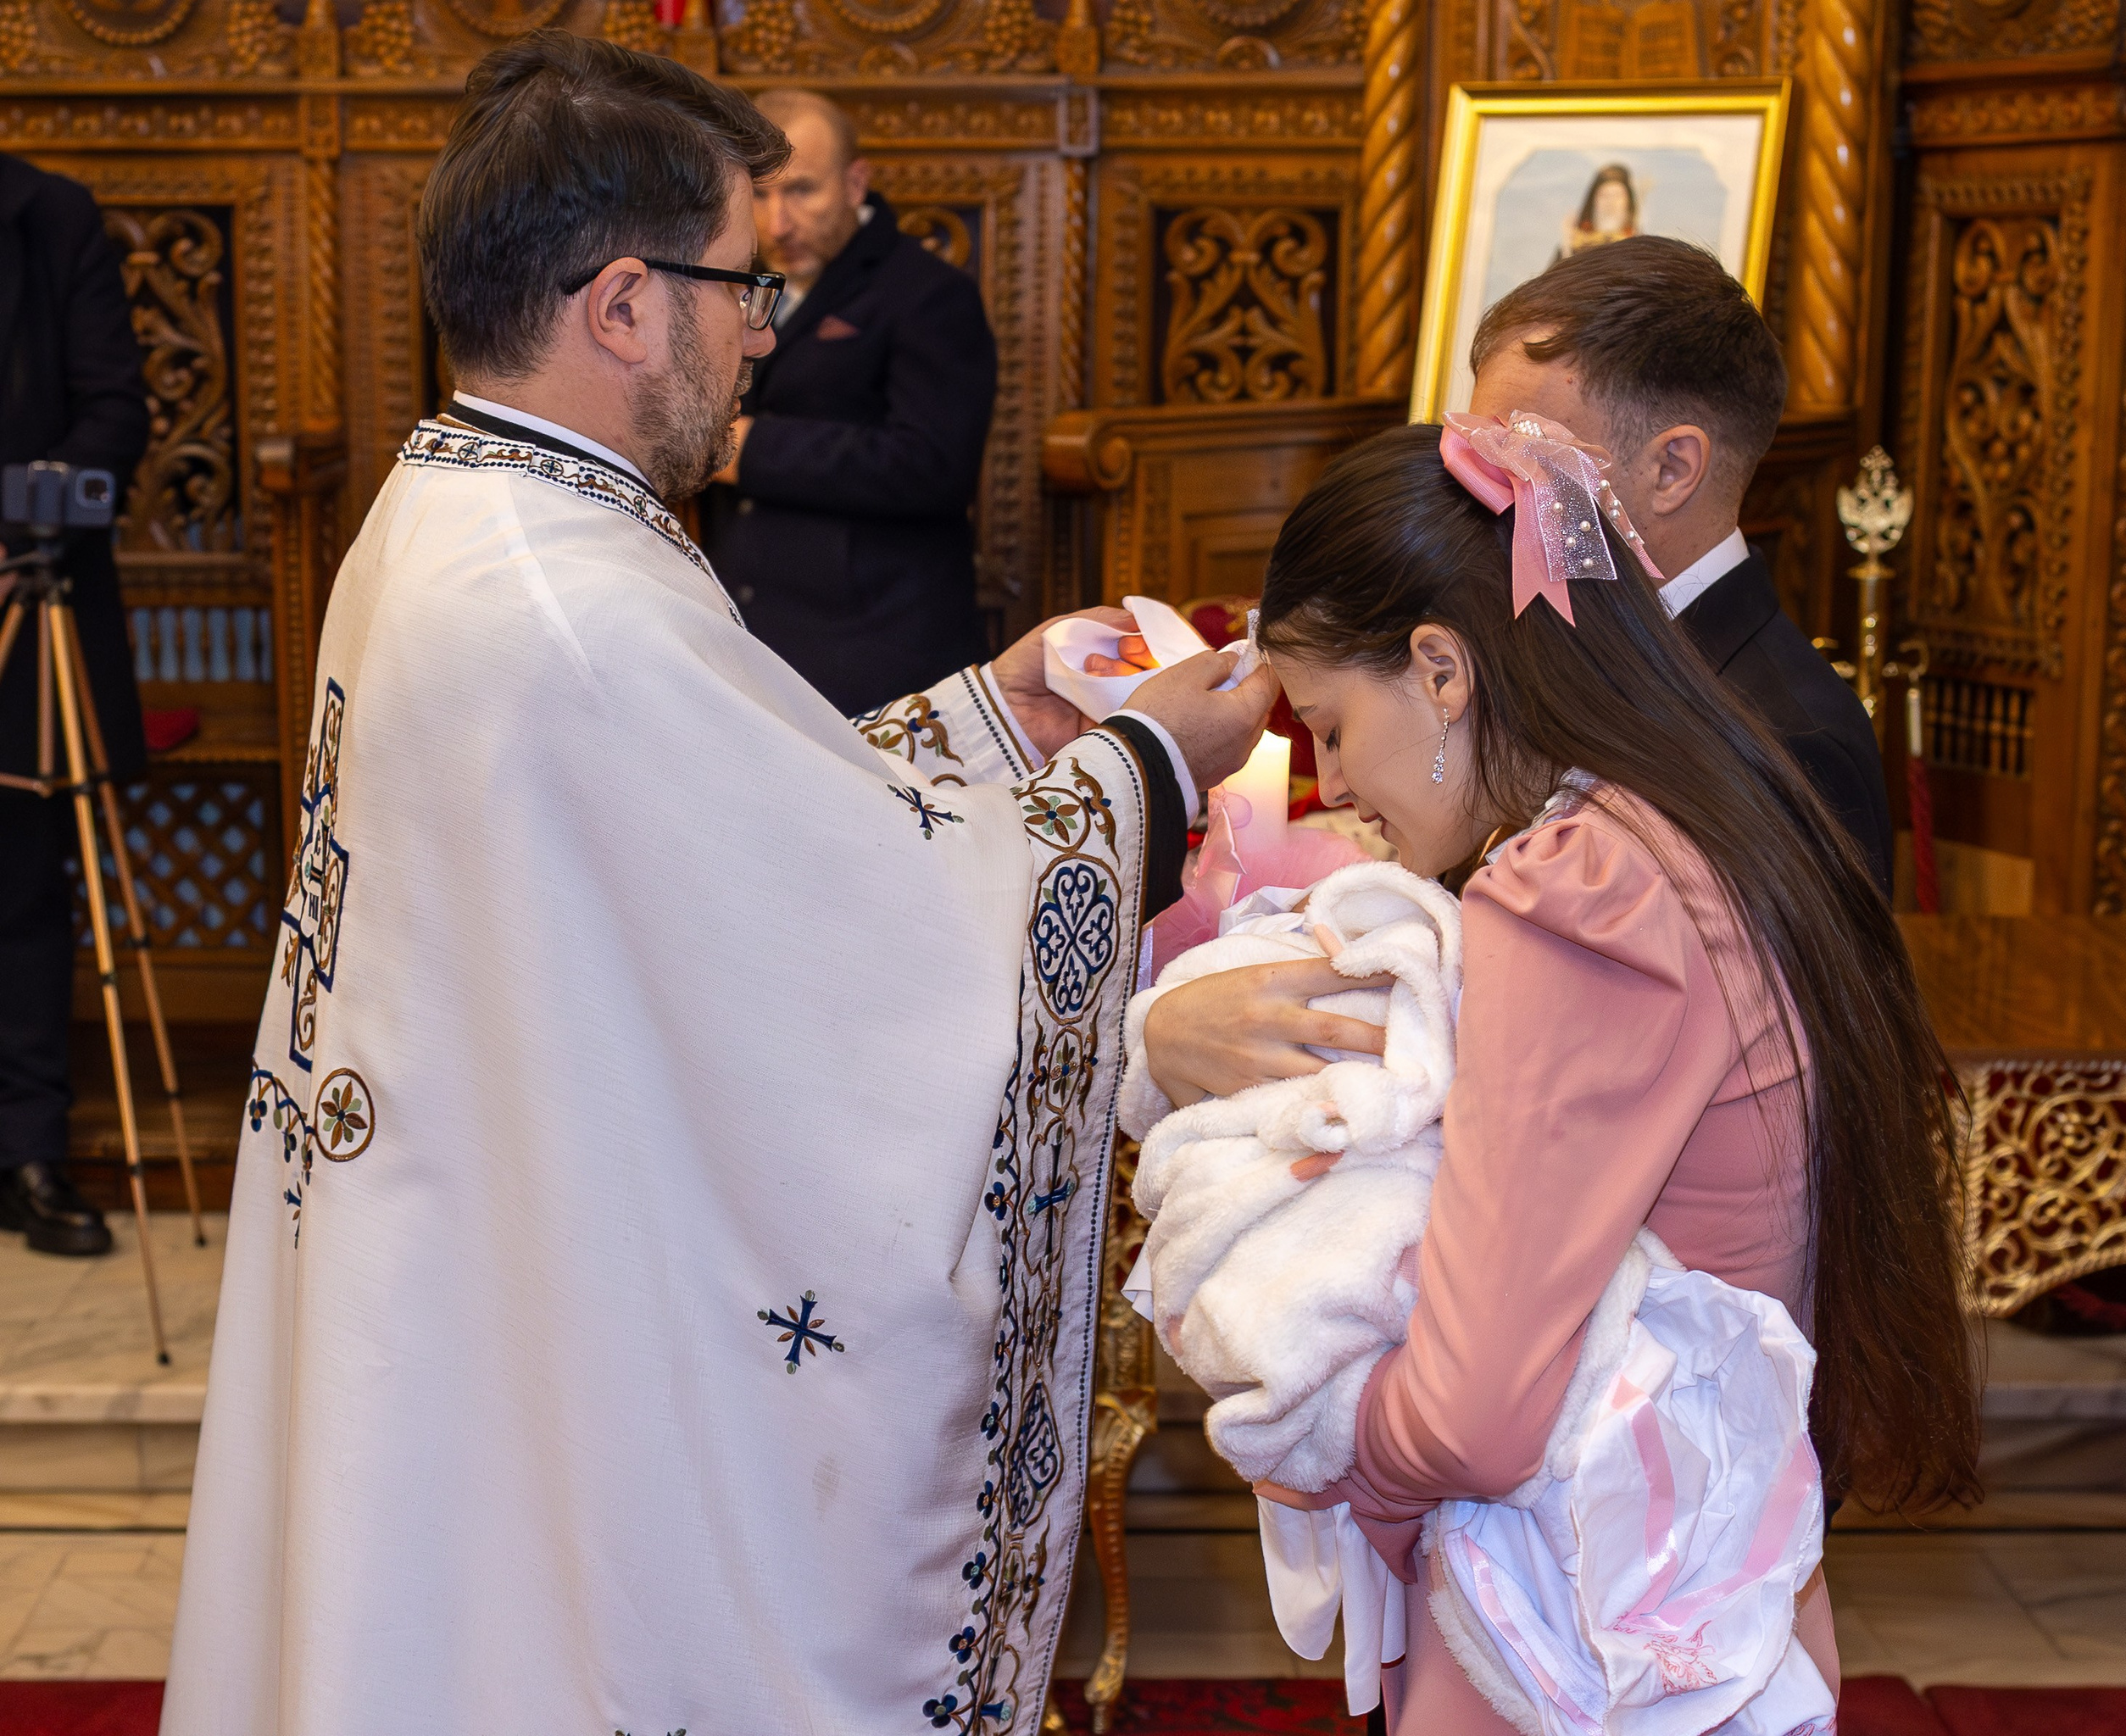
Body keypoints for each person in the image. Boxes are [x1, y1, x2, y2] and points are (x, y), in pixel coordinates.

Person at [160, 33, 1272, 1735]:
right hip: (530, 1314)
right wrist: (1146, 770)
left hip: (476, 1273)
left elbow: (740, 825)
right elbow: (858, 933)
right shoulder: (563, 595)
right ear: (622, 304)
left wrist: (1006, 710)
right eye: (741, 289)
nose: (760, 331)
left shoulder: (467, 508)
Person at [1142, 422, 1980, 1732]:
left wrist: (1322, 1432)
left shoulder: (1577, 893)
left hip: (1571, 1599)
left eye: (1333, 725)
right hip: (1699, 1555)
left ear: (1440, 667)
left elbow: (1477, 1412)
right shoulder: (1691, 806)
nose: (1340, 780)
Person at [1471, 235, 1893, 891]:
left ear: (1671, 469)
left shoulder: (1793, 742)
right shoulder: (1531, 635)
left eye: (1523, 460)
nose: (1481, 497)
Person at [699, 86, 998, 717]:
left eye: (801, 190)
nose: (777, 222)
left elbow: (934, 467)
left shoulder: (930, 294)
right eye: (759, 194)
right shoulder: (735, 284)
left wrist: (749, 449)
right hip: (749, 639)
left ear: (855, 183)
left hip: (877, 651)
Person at [0, 151, 150, 1259]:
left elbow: (113, 419)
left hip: (25, 597)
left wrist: (13, 537)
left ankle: (26, 1154)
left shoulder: (50, 216)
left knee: (16, 882)